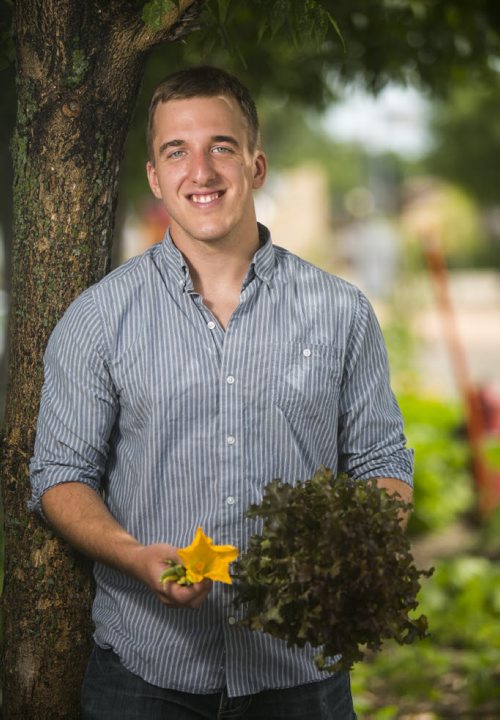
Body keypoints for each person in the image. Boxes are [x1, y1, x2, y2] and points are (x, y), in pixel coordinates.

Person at [30, 66, 413, 720]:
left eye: (221, 147)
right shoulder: (98, 318)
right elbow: (60, 476)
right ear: (155, 177)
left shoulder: (341, 311)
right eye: (176, 151)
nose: (200, 171)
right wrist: (133, 555)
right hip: (146, 673)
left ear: (256, 166)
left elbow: (384, 465)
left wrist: (352, 552)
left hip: (300, 672)